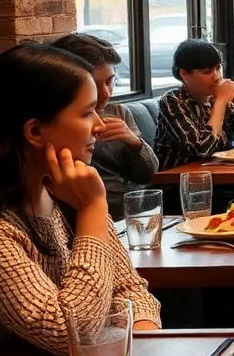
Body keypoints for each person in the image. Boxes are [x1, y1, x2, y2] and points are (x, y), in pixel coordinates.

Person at [0, 44, 161, 356]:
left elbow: (130, 289)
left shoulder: (69, 194)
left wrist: (145, 353)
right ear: (35, 131)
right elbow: (68, 333)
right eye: (86, 113)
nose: (99, 124)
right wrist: (93, 209)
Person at [154, 40, 234, 214]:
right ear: (184, 74)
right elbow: (202, 148)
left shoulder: (213, 99)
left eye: (218, 68)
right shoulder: (172, 101)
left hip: (219, 180)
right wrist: (221, 102)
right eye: (207, 72)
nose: (216, 77)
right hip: (180, 190)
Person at [50, 33, 158, 220]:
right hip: (85, 216)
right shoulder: (59, 124)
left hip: (129, 213)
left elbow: (148, 175)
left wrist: (135, 143)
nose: (106, 94)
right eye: (93, 84)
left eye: (109, 81)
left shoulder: (118, 112)